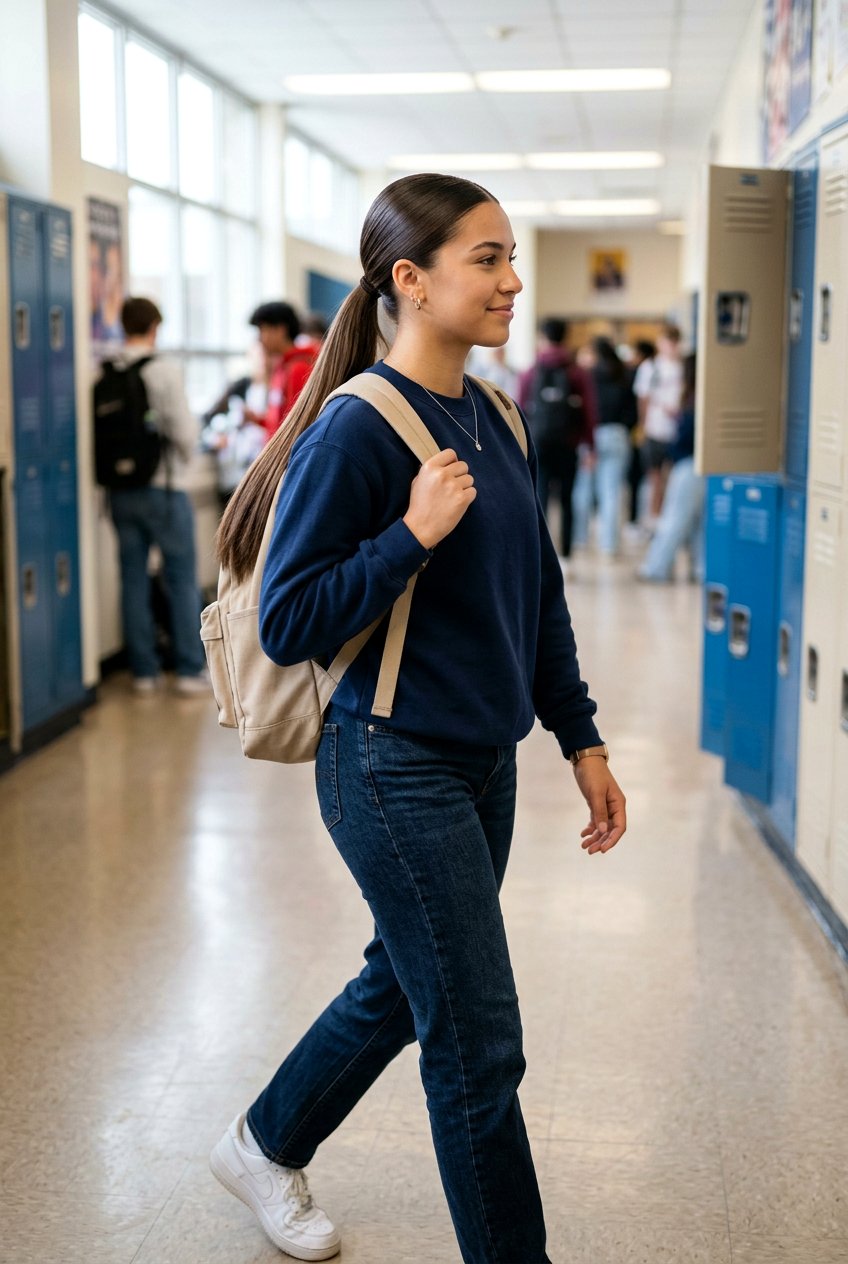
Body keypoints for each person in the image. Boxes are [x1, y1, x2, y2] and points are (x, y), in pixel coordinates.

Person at [210, 173, 627, 1264]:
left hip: (483, 760)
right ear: (411, 278)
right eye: (485, 258)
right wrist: (410, 534)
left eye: (508, 256)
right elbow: (291, 618)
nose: (510, 281)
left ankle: (263, 1140)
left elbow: (534, 592)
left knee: (403, 978)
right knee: (477, 1044)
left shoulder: (494, 413)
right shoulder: (358, 428)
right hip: (388, 763)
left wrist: (576, 734)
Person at [102, 297, 208, 694]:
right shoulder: (161, 370)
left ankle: (143, 672)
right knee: (180, 577)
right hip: (163, 489)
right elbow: (183, 430)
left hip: (119, 493)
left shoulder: (108, 369)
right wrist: (187, 457)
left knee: (132, 578)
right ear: (154, 328)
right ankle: (187, 670)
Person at [517, 316, 596, 562]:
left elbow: (518, 408)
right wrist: (590, 445)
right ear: (565, 337)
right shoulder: (576, 372)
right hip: (568, 442)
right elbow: (590, 411)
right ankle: (567, 555)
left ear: (543, 337)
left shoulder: (531, 370)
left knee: (539, 498)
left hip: (538, 442)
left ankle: (542, 555)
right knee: (567, 498)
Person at [637, 352, 704, 582]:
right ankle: (700, 569)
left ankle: (656, 568)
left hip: (689, 466)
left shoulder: (695, 399)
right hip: (700, 468)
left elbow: (686, 437)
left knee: (674, 520)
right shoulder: (700, 397)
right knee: (696, 524)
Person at [585, 336, 638, 556]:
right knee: (611, 492)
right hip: (618, 434)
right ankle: (609, 546)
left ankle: (579, 539)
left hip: (592, 434)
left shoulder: (588, 376)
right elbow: (633, 413)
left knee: (583, 489)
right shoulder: (624, 375)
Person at [633, 323, 684, 521]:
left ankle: (667, 519)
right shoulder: (650, 367)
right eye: (666, 342)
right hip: (654, 431)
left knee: (670, 480)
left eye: (673, 342)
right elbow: (642, 400)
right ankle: (654, 519)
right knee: (654, 480)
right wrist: (642, 427)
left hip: (676, 432)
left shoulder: (683, 368)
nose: (670, 346)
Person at [247, 301, 317, 443]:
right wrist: (258, 420)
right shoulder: (281, 368)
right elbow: (279, 423)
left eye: (263, 329)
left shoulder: (299, 369)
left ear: (280, 330)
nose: (260, 338)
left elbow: (297, 427)